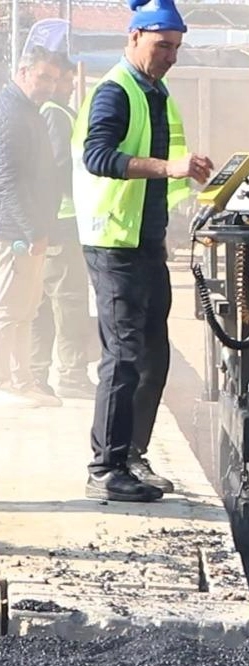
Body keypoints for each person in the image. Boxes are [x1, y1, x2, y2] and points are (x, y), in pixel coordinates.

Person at [74, 0, 214, 503]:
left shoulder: (156, 91)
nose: (170, 57)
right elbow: (98, 156)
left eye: (176, 48)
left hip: (146, 241)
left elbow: (167, 166)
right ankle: (105, 467)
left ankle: (132, 455)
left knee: (154, 355)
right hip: (114, 242)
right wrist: (168, 168)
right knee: (125, 354)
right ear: (133, 38)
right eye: (162, 46)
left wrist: (189, 181)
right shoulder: (116, 91)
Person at [0, 47, 63, 409]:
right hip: (13, 234)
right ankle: (7, 380)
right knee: (9, 308)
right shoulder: (10, 113)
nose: (49, 86)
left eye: (53, 80)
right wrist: (29, 230)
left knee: (26, 308)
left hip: (29, 230)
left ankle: (21, 379)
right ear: (23, 73)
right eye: (43, 77)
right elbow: (7, 179)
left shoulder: (29, 111)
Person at [31, 54, 96, 400]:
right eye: (67, 82)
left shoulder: (49, 113)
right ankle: (71, 374)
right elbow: (59, 167)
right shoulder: (56, 114)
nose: (69, 87)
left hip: (52, 220)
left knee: (42, 300)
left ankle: (37, 373)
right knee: (68, 300)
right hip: (64, 222)